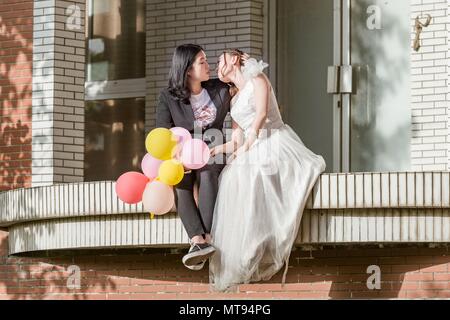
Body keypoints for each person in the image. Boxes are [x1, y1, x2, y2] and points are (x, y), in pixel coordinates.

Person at [208, 49, 326, 291]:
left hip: (274, 140)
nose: (217, 65)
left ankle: (268, 237)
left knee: (257, 170)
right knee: (235, 177)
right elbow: (237, 140)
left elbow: (261, 115)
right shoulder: (234, 99)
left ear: (233, 59)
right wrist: (218, 149)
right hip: (253, 145)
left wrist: (249, 146)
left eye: (220, 60)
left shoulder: (258, 79)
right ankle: (248, 243)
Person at [155, 44, 232, 271]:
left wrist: (234, 63)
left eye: (207, 60)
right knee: (180, 180)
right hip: (183, 150)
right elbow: (161, 131)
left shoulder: (220, 88)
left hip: (213, 146)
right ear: (188, 69)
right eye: (202, 62)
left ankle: (205, 238)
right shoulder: (168, 97)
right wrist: (176, 155)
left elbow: (245, 82)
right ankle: (197, 240)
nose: (209, 66)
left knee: (209, 171)